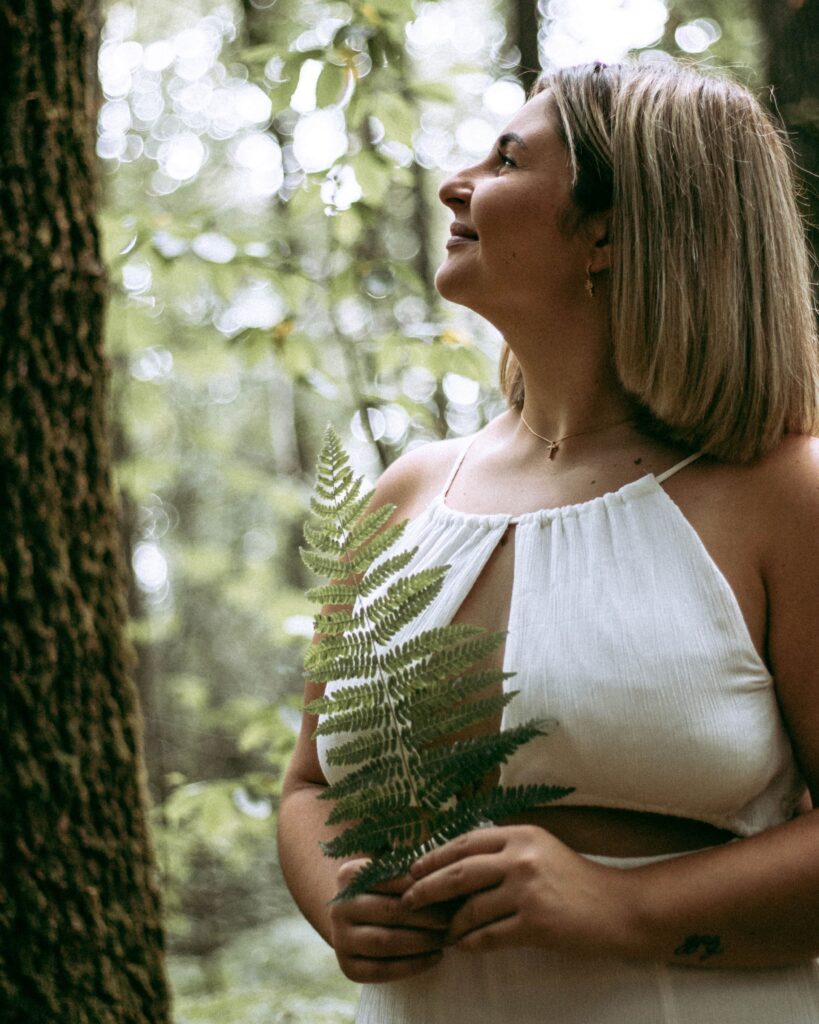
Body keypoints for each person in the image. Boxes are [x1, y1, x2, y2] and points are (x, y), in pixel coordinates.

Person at [277, 60, 819, 1022]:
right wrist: (339, 896)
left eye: (505, 159)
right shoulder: (406, 491)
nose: (455, 181)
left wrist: (627, 905)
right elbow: (311, 788)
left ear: (611, 230)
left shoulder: (783, 493)